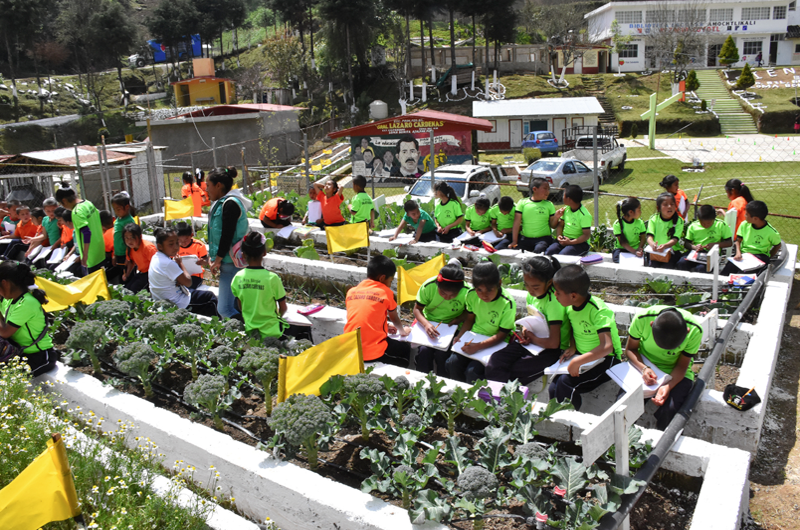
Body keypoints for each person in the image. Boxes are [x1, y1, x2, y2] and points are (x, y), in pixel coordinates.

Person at [549, 265, 622, 410]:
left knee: (566, 384)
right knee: (553, 386)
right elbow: (574, 330)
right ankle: (556, 421)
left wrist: (578, 361)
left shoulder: (598, 310)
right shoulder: (569, 307)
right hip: (586, 359)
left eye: (557, 293)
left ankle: (570, 425)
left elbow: (607, 347)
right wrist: (572, 346)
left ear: (573, 295)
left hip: (608, 360)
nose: (555, 295)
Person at [486, 256, 568, 385]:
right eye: (526, 285)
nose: (530, 290)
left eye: (535, 287)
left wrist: (532, 337)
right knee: (496, 360)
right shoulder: (532, 295)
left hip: (552, 350)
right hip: (534, 342)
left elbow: (553, 343)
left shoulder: (554, 302)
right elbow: (533, 319)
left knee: (516, 371)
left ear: (549, 282)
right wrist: (525, 331)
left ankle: (505, 399)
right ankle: (494, 397)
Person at [624, 306, 702, 430]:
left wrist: (668, 385)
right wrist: (644, 369)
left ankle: (660, 440)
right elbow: (630, 350)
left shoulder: (694, 330)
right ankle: (626, 438)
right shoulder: (642, 319)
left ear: (686, 331)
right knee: (624, 404)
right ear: (651, 325)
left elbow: (682, 366)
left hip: (676, 372)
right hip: (643, 365)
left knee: (671, 410)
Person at [447, 261, 516, 383]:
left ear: (499, 284)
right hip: (475, 336)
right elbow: (469, 319)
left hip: (496, 342)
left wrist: (479, 346)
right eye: (479, 290)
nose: (484, 295)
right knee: (452, 363)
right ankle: (458, 396)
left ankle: (474, 400)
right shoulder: (471, 295)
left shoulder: (507, 302)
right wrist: (460, 336)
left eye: (489, 290)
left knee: (473, 372)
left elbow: (502, 334)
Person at [231, 232, 303, 339]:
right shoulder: (272, 278)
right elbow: (283, 308)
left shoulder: (238, 278)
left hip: (251, 330)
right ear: (264, 253)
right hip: (273, 332)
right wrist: (278, 317)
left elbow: (241, 307)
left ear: (243, 254)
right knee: (303, 330)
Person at [343, 255, 411, 367]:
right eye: (390, 281)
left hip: (350, 347)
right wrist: (403, 331)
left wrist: (385, 325)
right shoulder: (385, 292)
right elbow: (394, 318)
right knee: (404, 349)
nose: (390, 284)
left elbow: (362, 315)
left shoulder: (351, 291)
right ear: (382, 278)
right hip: (370, 353)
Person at [207, 167, 252, 319]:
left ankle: (249, 335)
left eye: (208, 185)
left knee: (225, 309)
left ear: (218, 185)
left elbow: (227, 235)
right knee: (233, 306)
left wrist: (217, 259)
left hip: (232, 263)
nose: (207, 190)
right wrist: (211, 257)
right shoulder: (222, 203)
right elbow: (217, 235)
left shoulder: (230, 204)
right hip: (227, 261)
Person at [0, 262, 57, 376]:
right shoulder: (8, 299)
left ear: (4, 283)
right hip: (16, 352)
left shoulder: (27, 302)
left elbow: (5, 332)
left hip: (38, 356)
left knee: (6, 380)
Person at [413, 259, 469, 375]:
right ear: (437, 285)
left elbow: (469, 314)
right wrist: (427, 324)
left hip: (452, 327)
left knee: (443, 353)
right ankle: (421, 380)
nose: (447, 298)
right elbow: (417, 309)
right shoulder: (429, 286)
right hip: (429, 323)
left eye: (453, 295)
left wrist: (459, 319)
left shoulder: (467, 291)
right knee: (424, 351)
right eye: (443, 293)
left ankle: (443, 382)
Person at [148, 227, 219, 317]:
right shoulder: (168, 263)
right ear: (160, 246)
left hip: (163, 299)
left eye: (177, 243)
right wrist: (180, 263)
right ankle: (217, 325)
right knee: (210, 297)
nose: (176, 247)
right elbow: (188, 282)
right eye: (171, 244)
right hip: (177, 302)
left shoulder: (155, 257)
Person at [55, 186, 105, 277]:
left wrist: (85, 255)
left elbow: (86, 233)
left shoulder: (77, 212)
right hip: (100, 250)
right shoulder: (88, 203)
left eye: (61, 204)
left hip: (91, 255)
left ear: (64, 201)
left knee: (94, 285)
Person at [721, 200, 781, 276]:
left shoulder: (772, 232)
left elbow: (777, 245)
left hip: (760, 257)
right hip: (743, 255)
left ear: (755, 218)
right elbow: (737, 241)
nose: (744, 216)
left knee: (742, 276)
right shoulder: (744, 224)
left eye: (746, 214)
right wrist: (738, 252)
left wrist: (768, 257)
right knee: (725, 272)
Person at [677, 205, 733, 272]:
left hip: (711, 253)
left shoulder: (721, 225)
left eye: (709, 223)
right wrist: (695, 247)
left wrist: (715, 245)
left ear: (714, 218)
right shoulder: (693, 226)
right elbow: (686, 243)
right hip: (695, 252)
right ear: (699, 219)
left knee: (701, 268)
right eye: (702, 223)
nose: (706, 225)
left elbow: (729, 243)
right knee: (681, 263)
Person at [511, 178, 557, 253]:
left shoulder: (549, 204)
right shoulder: (522, 203)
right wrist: (514, 241)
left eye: (548, 189)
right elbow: (516, 223)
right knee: (517, 253)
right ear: (535, 189)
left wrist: (557, 217)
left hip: (543, 239)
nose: (548, 192)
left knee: (538, 251)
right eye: (545, 189)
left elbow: (553, 225)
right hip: (525, 239)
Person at [546, 185, 592, 256]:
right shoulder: (566, 209)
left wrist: (570, 242)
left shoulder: (584, 215)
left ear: (569, 199)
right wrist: (559, 237)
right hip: (565, 240)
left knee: (563, 255)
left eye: (563, 195)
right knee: (549, 252)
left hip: (579, 243)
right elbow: (560, 225)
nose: (562, 197)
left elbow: (586, 235)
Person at [646, 192, 685, 269]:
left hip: (672, 253)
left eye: (672, 204)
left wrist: (665, 246)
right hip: (655, 252)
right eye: (665, 205)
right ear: (658, 208)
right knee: (653, 268)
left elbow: (675, 239)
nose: (669, 206)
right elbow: (649, 236)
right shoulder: (653, 218)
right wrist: (653, 244)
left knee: (666, 269)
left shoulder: (679, 221)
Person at [122, 223, 156, 293]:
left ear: (140, 236)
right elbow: (131, 262)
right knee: (126, 289)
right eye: (126, 238)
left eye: (132, 237)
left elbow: (157, 265)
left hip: (150, 274)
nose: (129, 241)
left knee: (133, 291)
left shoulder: (148, 248)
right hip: (141, 273)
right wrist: (126, 275)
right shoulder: (130, 248)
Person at [176, 221, 209, 290]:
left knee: (188, 288)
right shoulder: (175, 246)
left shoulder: (198, 245)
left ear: (191, 235)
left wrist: (203, 261)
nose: (183, 243)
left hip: (195, 276)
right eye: (180, 241)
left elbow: (206, 260)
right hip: (180, 274)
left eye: (186, 239)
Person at [612, 197, 646, 263]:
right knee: (617, 261)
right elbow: (622, 243)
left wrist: (639, 248)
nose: (641, 212)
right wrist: (634, 252)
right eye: (639, 209)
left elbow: (643, 238)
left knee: (645, 262)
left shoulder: (640, 222)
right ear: (631, 212)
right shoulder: (617, 224)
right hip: (621, 249)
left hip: (636, 248)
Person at [110, 193, 136, 269]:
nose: (116, 212)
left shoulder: (129, 221)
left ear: (127, 207)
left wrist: (128, 258)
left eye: (118, 209)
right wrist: (114, 254)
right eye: (114, 209)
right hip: (118, 254)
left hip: (126, 255)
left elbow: (131, 242)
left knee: (126, 277)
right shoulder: (118, 219)